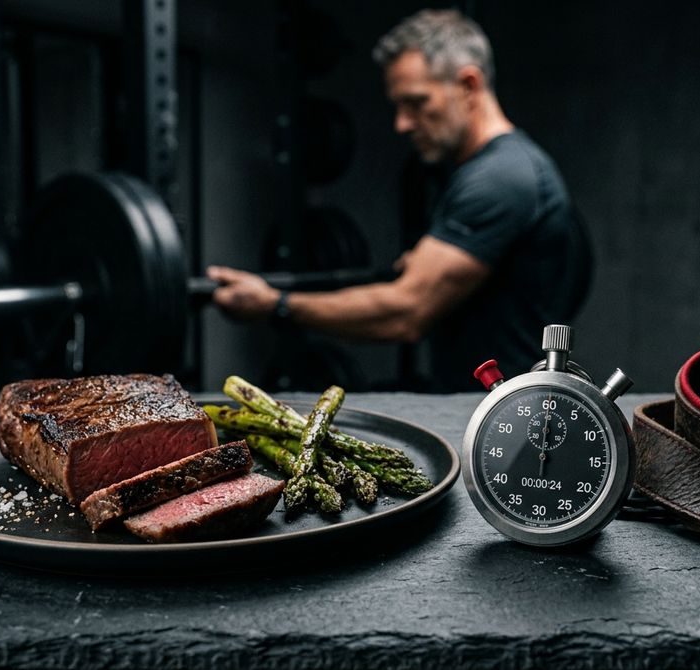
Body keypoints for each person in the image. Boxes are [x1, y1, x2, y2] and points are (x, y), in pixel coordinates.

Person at [208, 9, 588, 392]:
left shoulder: (500, 178)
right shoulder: (505, 169)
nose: (402, 123)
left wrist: (275, 304)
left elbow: (405, 312)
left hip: (504, 409)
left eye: (416, 103)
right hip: (490, 399)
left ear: (468, 85)